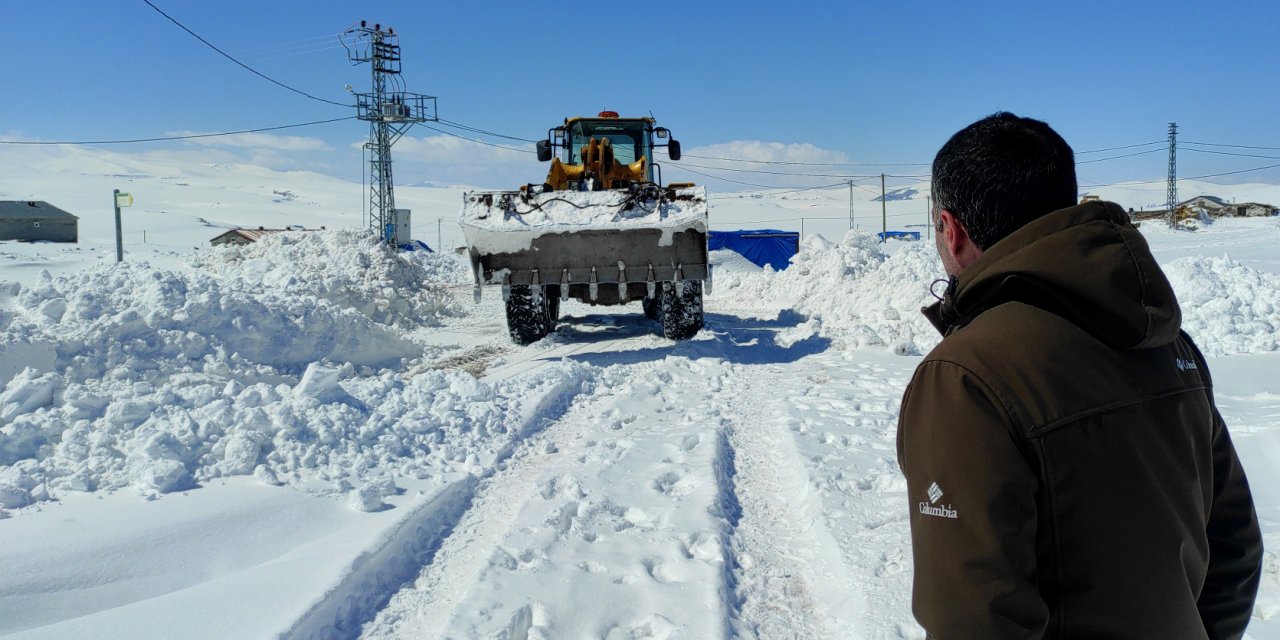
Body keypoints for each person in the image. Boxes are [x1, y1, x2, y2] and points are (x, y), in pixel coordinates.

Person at [897, 112, 1263, 638]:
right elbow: (1236, 548)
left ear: (952, 230)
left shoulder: (968, 375)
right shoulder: (1166, 341)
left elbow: (974, 618)